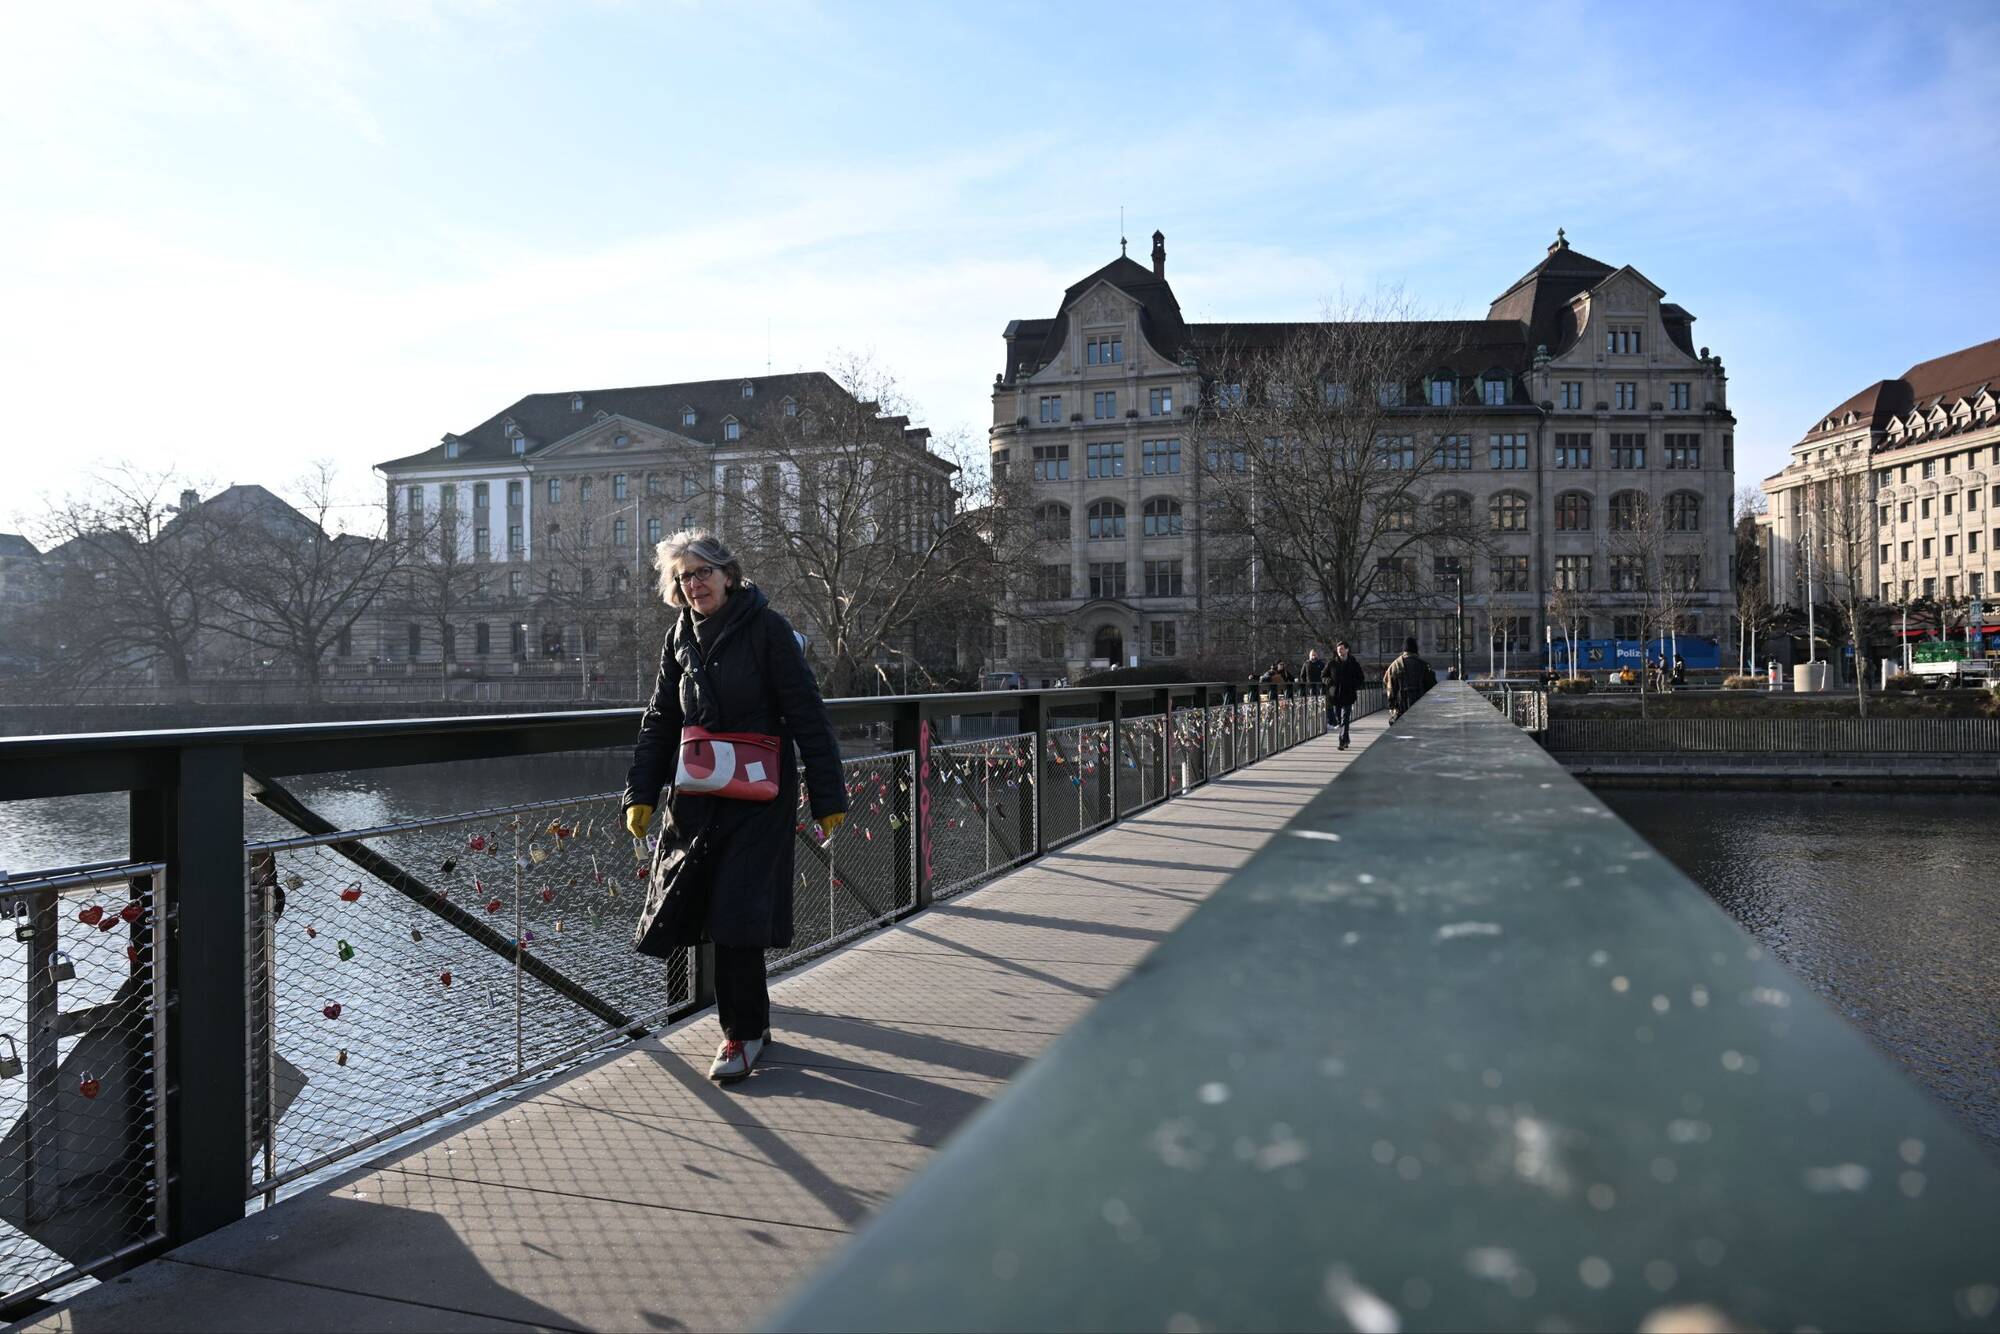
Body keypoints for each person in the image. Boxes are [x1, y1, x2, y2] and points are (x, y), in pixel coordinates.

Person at [623, 530, 847, 1085]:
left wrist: (828, 795)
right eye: (684, 577)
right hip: (698, 798)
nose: (694, 584)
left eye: (703, 572)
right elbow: (661, 719)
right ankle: (753, 1023)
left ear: (728, 574)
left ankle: (741, 1034)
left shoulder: (767, 629)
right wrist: (641, 794)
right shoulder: (679, 636)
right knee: (700, 906)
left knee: (737, 913)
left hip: (758, 795)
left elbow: (806, 712)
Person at [1382, 636, 1436, 723]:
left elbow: (1388, 685)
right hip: (1420, 707)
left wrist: (1391, 705)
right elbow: (1432, 686)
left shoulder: (1395, 665)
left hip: (1401, 707)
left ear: (1404, 650)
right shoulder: (1424, 665)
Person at [1326, 639, 1365, 748]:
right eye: (1338, 649)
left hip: (1348, 695)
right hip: (1335, 696)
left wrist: (1353, 685)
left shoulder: (1353, 663)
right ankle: (1346, 739)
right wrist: (1329, 682)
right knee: (1339, 719)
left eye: (1342, 649)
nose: (1339, 651)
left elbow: (1361, 678)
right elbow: (1323, 675)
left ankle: (1342, 741)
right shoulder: (1332, 663)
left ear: (1347, 650)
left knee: (1345, 718)